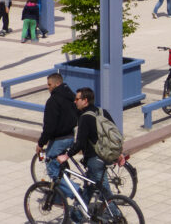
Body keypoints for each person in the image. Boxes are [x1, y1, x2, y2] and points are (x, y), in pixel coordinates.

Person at [56, 87, 125, 220]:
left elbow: (80, 143)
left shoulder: (85, 118)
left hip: (95, 159)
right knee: (90, 187)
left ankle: (117, 217)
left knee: (104, 191)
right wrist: (118, 153)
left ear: (85, 100)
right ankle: (77, 216)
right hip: (106, 156)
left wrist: (67, 155)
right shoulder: (102, 112)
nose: (75, 102)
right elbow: (114, 134)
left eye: (77, 99)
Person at [36, 73, 78, 198]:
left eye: (49, 85)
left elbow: (49, 127)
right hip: (70, 136)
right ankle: (59, 197)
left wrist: (40, 143)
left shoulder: (53, 101)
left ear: (57, 84)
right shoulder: (71, 96)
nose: (48, 87)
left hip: (59, 140)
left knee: (51, 168)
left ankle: (76, 193)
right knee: (60, 165)